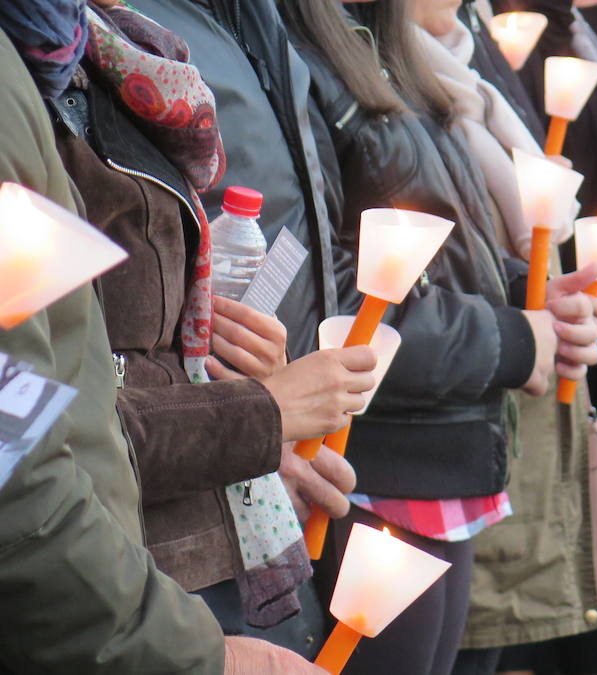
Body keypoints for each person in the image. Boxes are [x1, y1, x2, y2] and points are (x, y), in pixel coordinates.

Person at [281, 1, 597, 673]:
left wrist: (529, 293)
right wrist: (515, 337)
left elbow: (448, 249)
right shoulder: (307, 60)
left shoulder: (399, 60)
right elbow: (331, 293)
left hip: (444, 447)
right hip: (376, 463)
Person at [0, 6, 324, 671]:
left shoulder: (72, 58)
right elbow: (17, 455)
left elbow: (65, 379)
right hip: (101, 604)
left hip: (128, 578)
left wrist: (255, 421)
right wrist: (253, 418)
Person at [406, 3, 597, 675]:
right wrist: (518, 330)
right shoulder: (375, 82)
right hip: (419, 456)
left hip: (498, 442)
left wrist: (545, 306)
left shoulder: (474, 73)